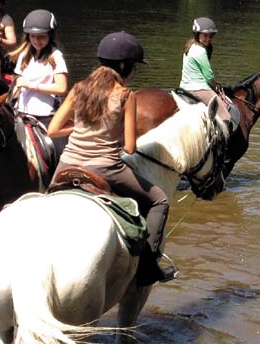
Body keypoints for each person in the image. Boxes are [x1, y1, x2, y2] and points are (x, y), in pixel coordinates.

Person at [47, 32, 175, 285]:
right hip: (106, 168)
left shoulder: (78, 89)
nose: (135, 71)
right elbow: (128, 147)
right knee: (159, 200)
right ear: (125, 66)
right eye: (135, 66)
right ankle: (147, 268)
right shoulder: (127, 95)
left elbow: (52, 130)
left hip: (67, 164)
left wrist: (78, 130)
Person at [10, 9, 69, 151]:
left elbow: (62, 88)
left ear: (50, 35)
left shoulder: (55, 56)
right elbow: (19, 80)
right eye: (33, 36)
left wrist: (31, 85)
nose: (37, 41)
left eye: (41, 37)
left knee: (61, 151)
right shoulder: (24, 54)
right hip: (21, 112)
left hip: (45, 114)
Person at [179, 16, 232, 128]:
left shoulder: (190, 46)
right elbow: (208, 77)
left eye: (211, 36)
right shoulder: (200, 51)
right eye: (205, 35)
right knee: (226, 116)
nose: (208, 39)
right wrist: (216, 88)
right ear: (197, 34)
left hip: (184, 87)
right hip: (199, 88)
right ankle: (216, 143)